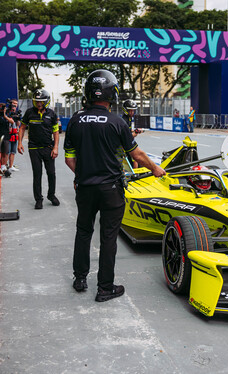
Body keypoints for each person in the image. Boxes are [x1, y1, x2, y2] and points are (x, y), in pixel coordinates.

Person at [64, 69, 166, 302]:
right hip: (111, 190)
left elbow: (69, 159)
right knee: (108, 237)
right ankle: (105, 287)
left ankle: (80, 279)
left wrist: (83, 174)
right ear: (113, 93)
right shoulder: (117, 122)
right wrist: (155, 169)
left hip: (85, 187)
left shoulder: (75, 120)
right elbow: (137, 154)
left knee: (83, 231)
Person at [18, 89, 60, 209]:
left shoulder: (52, 114)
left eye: (41, 102)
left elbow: (56, 132)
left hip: (48, 148)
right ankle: (38, 199)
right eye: (37, 101)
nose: (39, 104)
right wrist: (19, 143)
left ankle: (51, 195)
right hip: (34, 148)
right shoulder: (29, 113)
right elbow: (22, 127)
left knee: (51, 173)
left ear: (46, 102)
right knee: (37, 174)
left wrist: (55, 147)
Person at [6, 99, 21, 171]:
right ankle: (5, 165)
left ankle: (11, 166)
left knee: (13, 151)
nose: (15, 105)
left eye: (16, 104)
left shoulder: (17, 113)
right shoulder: (7, 113)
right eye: (14, 103)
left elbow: (18, 124)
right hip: (8, 134)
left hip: (15, 134)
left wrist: (18, 119)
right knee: (7, 151)